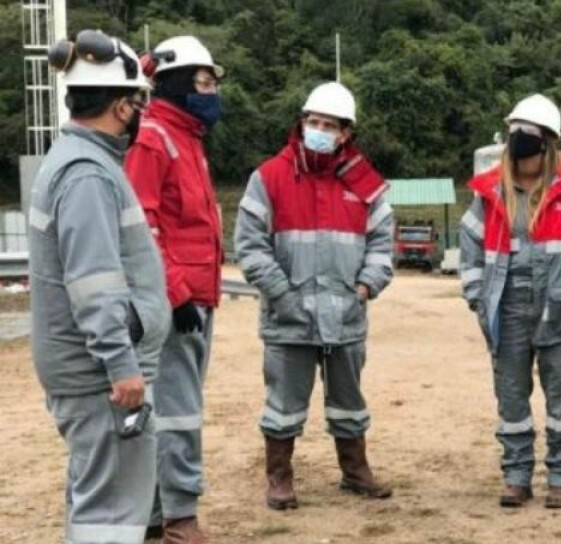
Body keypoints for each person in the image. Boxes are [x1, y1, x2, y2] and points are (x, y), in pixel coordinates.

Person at [30, 30, 170, 544]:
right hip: (99, 377)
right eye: (137, 102)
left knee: (96, 501)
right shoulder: (88, 174)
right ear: (121, 107)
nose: (140, 114)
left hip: (88, 372)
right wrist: (121, 364)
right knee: (111, 511)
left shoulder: (74, 160)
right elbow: (94, 283)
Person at [234, 81, 395, 510]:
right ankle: (279, 478)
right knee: (283, 405)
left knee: (349, 402)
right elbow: (250, 246)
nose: (319, 131)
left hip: (346, 315)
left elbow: (382, 243)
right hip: (288, 317)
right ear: (301, 123)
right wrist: (282, 296)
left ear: (345, 133)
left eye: (329, 125)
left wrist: (366, 286)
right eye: (313, 122)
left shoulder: (365, 184)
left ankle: (355, 472)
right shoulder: (269, 177)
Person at [459, 94, 561, 509]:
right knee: (511, 400)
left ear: (548, 145)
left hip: (560, 312)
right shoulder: (489, 193)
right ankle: (516, 477)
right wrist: (477, 298)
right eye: (515, 138)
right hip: (507, 312)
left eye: (528, 140)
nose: (520, 148)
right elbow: (470, 252)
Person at [124, 35, 225, 544]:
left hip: (196, 297)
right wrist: (176, 292)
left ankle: (153, 513)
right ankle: (179, 519)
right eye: (204, 82)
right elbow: (143, 227)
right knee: (178, 410)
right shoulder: (153, 139)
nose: (211, 93)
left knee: (173, 408)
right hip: (175, 302)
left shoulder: (188, 139)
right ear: (178, 83)